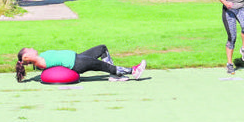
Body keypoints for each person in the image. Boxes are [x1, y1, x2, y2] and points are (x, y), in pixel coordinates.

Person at [15, 46, 146, 82]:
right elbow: (47, 71)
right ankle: (133, 71)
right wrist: (24, 63)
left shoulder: (40, 58)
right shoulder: (39, 62)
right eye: (29, 49)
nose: (32, 48)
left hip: (77, 56)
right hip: (77, 63)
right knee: (104, 66)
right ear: (27, 56)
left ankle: (115, 75)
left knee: (102, 49)